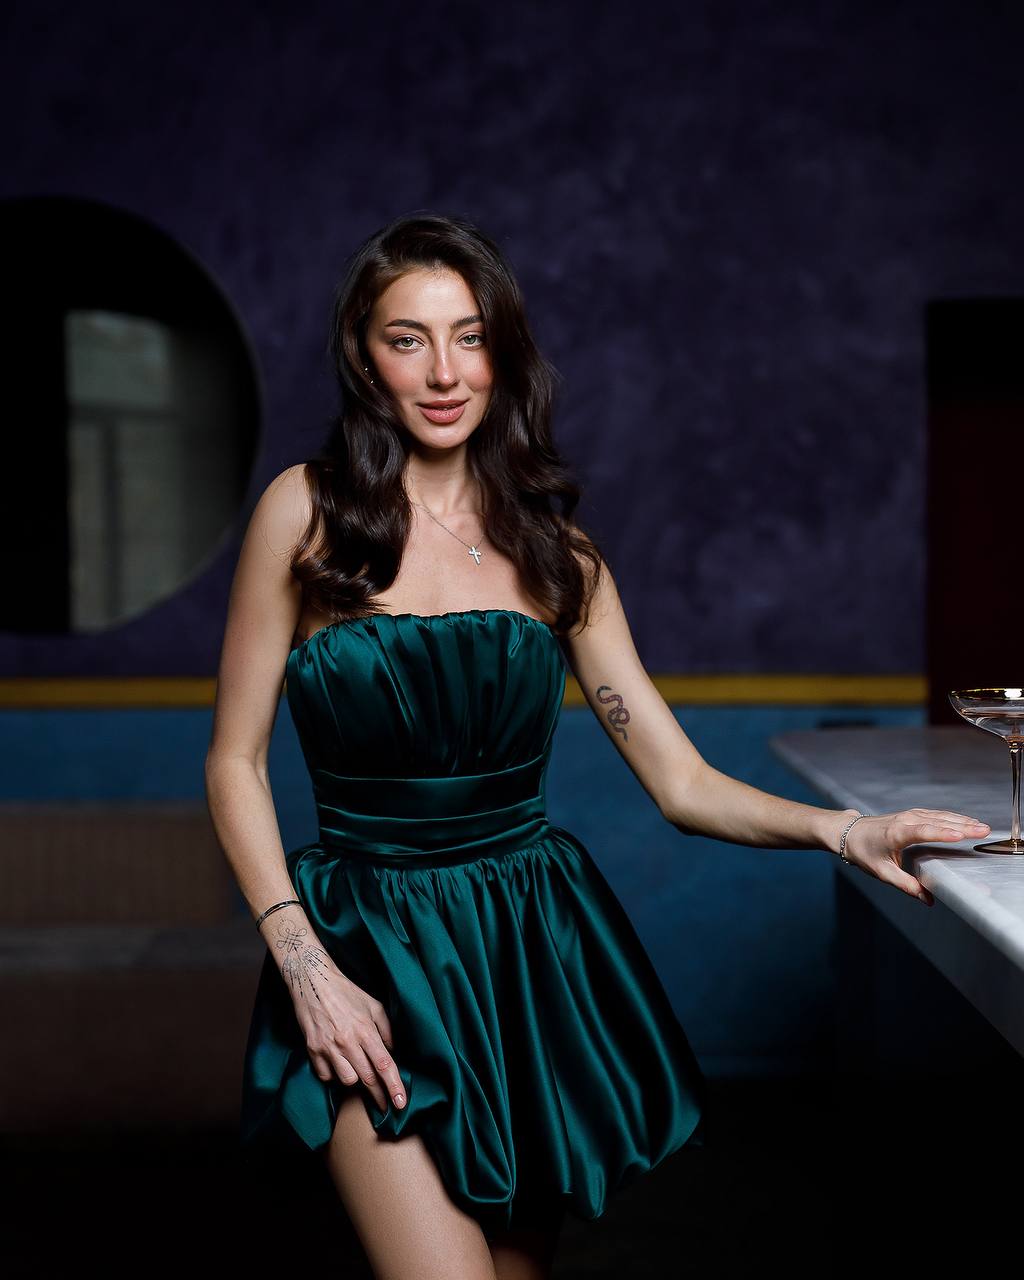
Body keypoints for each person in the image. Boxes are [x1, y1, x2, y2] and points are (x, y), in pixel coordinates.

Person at [204, 211, 991, 1280]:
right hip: (361, 946)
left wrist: (844, 828)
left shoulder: (553, 547)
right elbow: (235, 760)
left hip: (526, 954)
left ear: (502, 351)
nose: (443, 371)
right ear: (360, 350)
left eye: (469, 336)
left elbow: (678, 779)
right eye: (408, 337)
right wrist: (302, 959)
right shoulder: (304, 513)